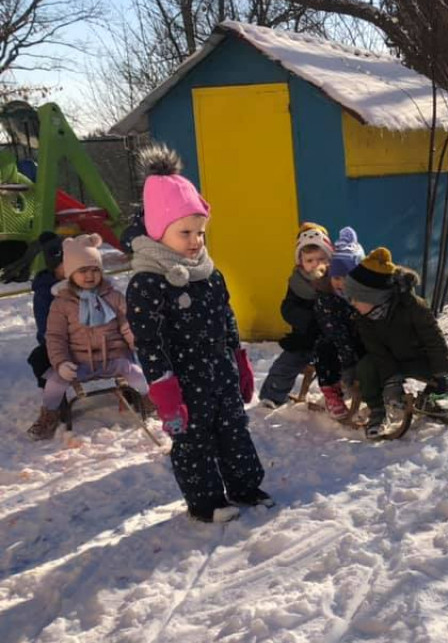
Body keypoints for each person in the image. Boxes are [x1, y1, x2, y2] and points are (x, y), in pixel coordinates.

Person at [126, 144, 269, 523]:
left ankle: (245, 486)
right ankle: (206, 501)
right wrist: (164, 388)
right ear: (158, 231)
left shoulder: (209, 272)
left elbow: (227, 316)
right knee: (194, 441)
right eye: (185, 232)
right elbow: (149, 341)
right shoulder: (148, 281)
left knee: (234, 430)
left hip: (220, 370)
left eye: (200, 232)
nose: (195, 241)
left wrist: (239, 361)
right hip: (184, 380)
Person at [27, 234, 151, 440]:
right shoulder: (61, 303)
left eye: (95, 270)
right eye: (82, 271)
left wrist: (135, 342)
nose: (89, 276)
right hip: (79, 361)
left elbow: (126, 323)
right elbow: (55, 336)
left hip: (113, 357)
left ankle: (150, 401)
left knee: (138, 374)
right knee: (54, 383)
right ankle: (50, 414)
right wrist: (61, 362)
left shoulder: (113, 296)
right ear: (70, 273)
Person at [345, 247, 448, 439]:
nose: (352, 303)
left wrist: (441, 372)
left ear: (374, 297)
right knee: (366, 367)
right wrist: (392, 382)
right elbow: (377, 351)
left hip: (416, 357)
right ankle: (377, 410)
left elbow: (433, 339)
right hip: (388, 361)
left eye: (356, 298)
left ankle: (427, 400)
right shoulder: (364, 317)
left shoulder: (413, 307)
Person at [257, 225, 334, 408]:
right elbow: (288, 308)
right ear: (301, 262)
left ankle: (335, 398)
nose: (316, 264)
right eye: (310, 260)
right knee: (286, 363)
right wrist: (306, 319)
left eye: (321, 258)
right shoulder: (297, 283)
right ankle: (273, 395)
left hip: (332, 339)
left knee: (338, 366)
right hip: (305, 337)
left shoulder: (335, 281)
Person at [312, 227, 365, 418]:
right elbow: (336, 332)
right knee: (325, 351)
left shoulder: (361, 296)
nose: (340, 283)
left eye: (346, 278)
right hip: (331, 338)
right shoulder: (326, 297)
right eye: (336, 277)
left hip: (354, 338)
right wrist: (349, 363)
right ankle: (331, 391)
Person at [26, 232, 65, 388]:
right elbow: (44, 326)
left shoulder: (85, 281)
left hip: (90, 339)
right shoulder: (45, 291)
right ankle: (53, 397)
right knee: (39, 358)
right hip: (59, 341)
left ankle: (131, 384)